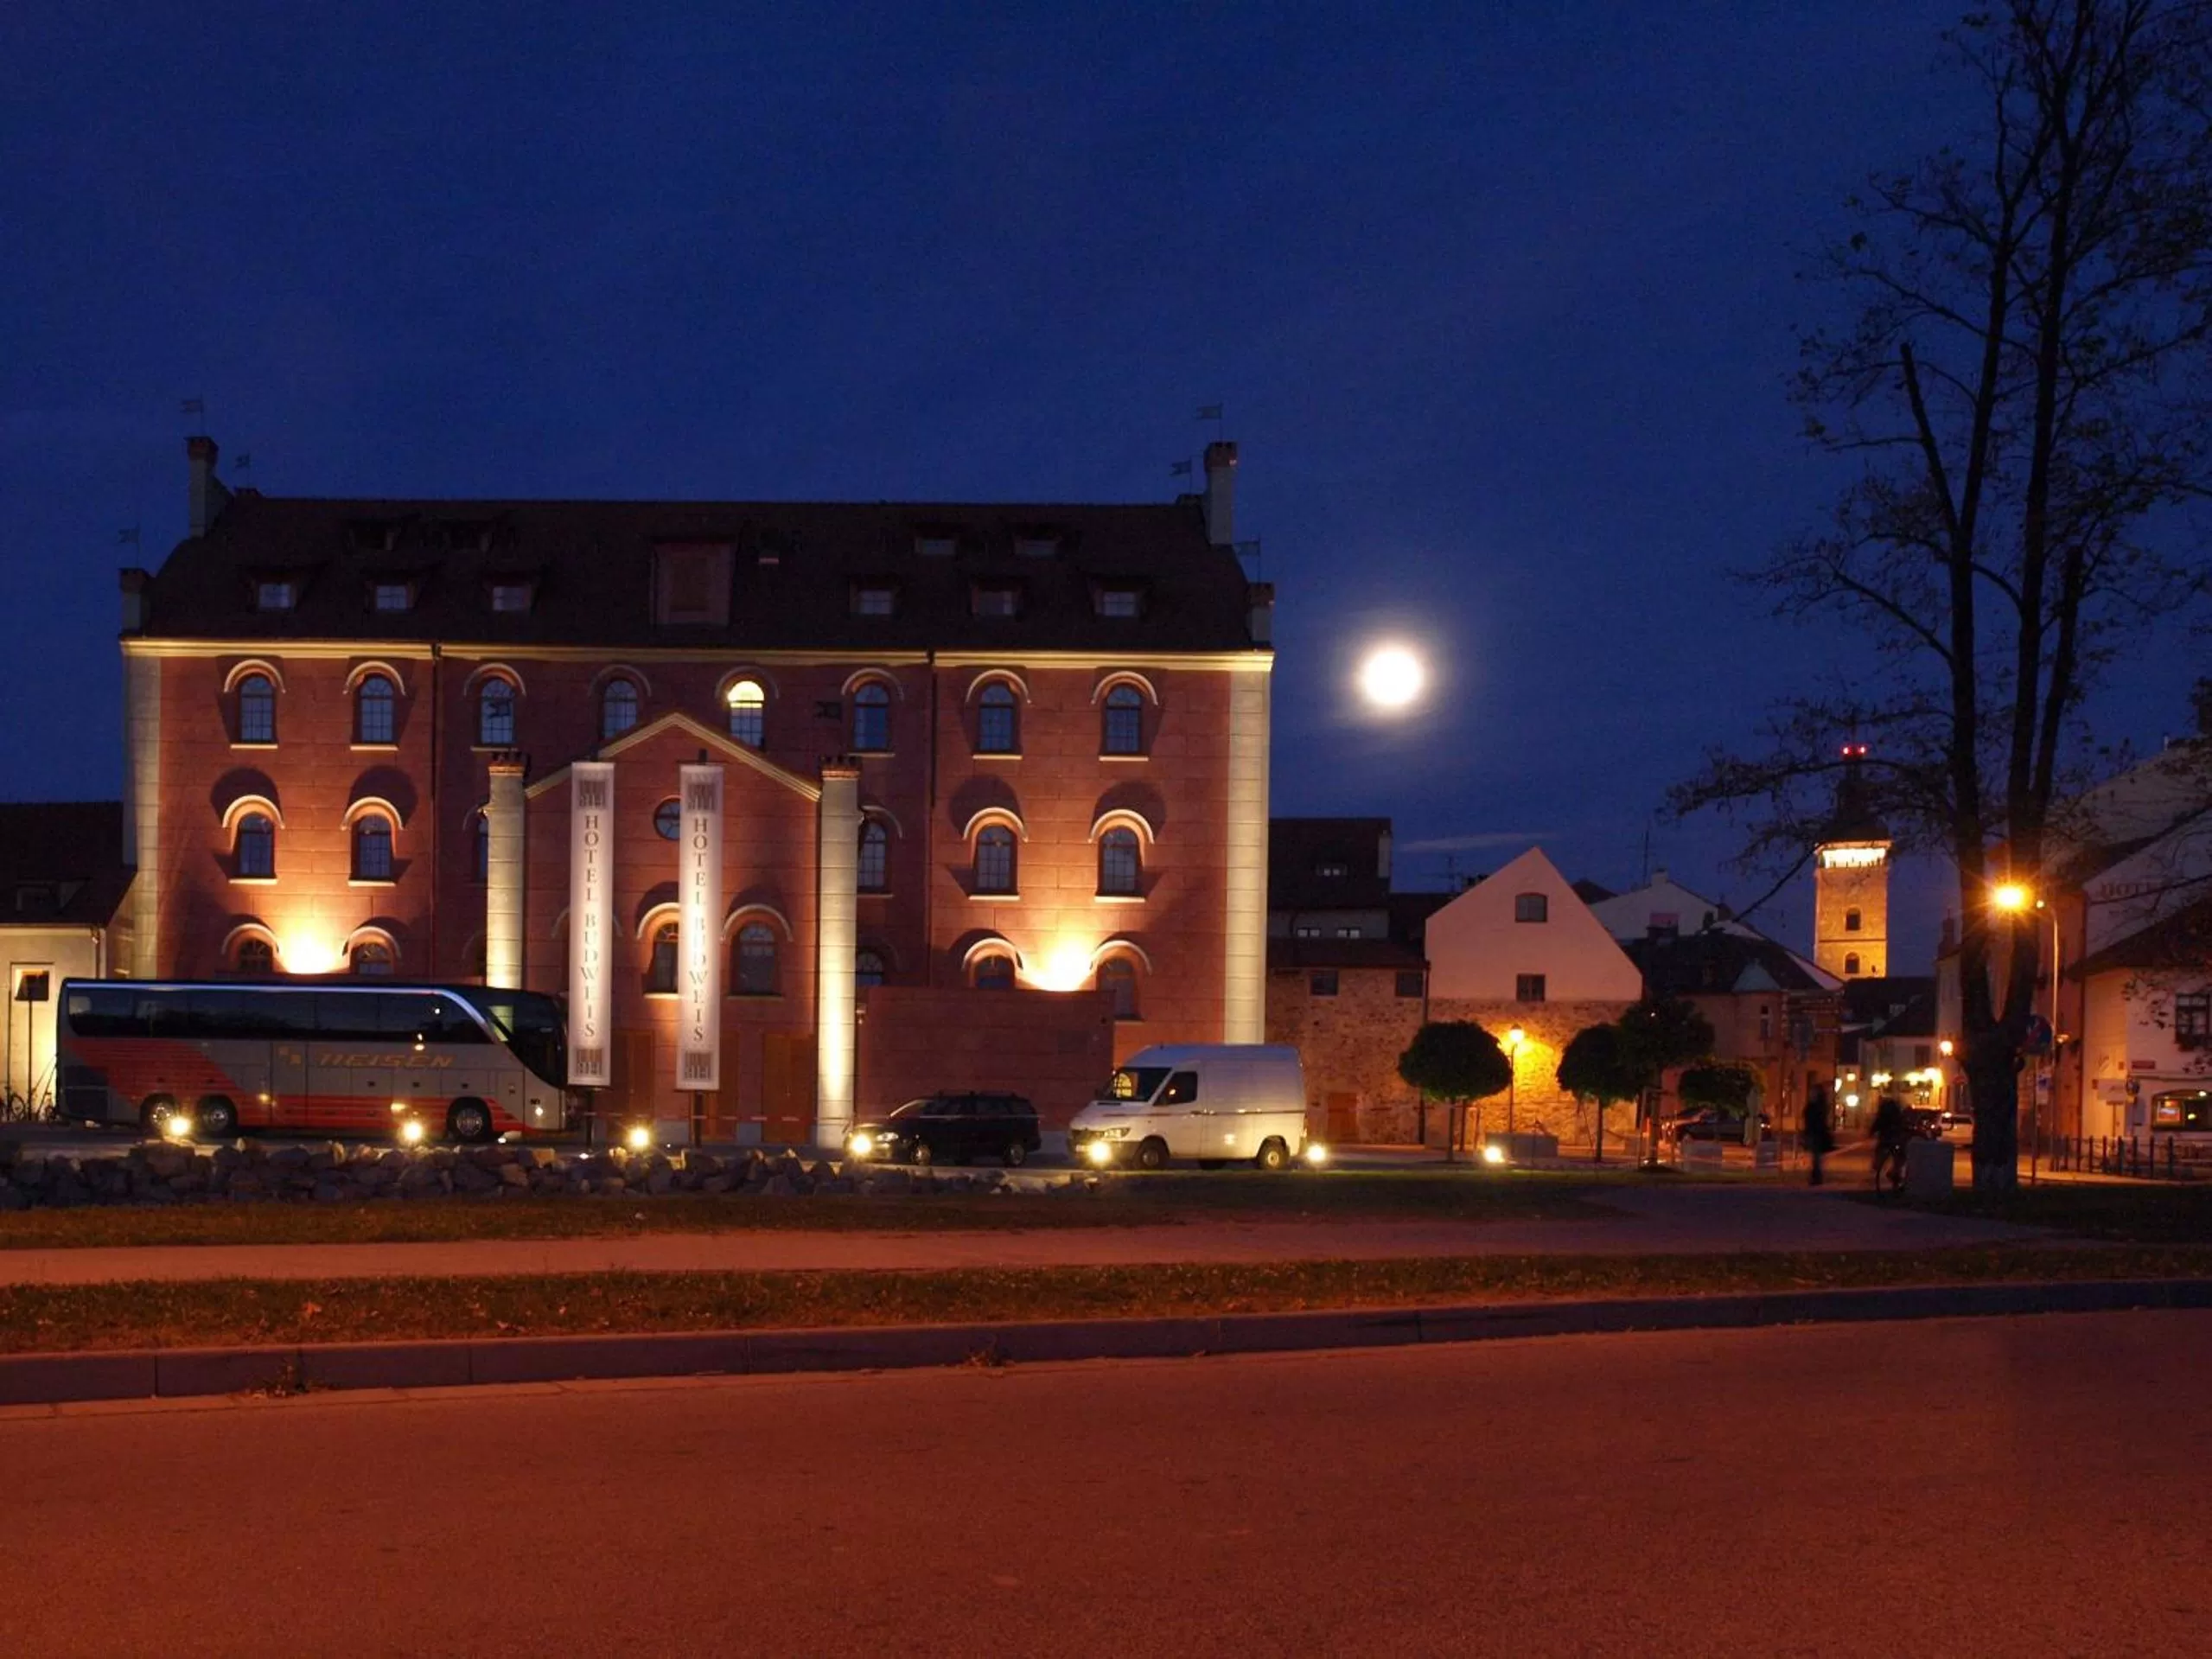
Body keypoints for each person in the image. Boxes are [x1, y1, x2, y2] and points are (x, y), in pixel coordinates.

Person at [1871, 1094, 1909, 1191]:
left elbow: (1877, 1124)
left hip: (1886, 1139)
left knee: (1882, 1151)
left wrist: (1871, 1132)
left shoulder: (1883, 1113)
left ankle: (1878, 1165)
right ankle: (1895, 1175)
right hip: (1895, 1138)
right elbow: (1903, 1125)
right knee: (1899, 1158)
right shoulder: (1898, 1113)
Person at [1801, 1084, 1834, 1187]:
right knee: (1816, 1158)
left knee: (1816, 1157)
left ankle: (1816, 1177)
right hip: (1816, 1133)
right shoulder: (1820, 1105)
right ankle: (1816, 1176)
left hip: (1816, 1134)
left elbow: (1815, 1120)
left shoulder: (1817, 1106)